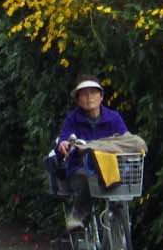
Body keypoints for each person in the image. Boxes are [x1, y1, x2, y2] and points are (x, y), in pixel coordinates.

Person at [51, 77, 129, 231]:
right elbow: (64, 139)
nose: (89, 97)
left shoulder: (113, 118)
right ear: (78, 100)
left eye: (93, 93)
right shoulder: (72, 119)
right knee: (89, 180)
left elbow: (126, 138)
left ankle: (118, 221)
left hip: (109, 168)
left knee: (123, 177)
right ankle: (77, 215)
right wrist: (64, 144)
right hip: (80, 168)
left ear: (101, 97)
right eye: (84, 94)